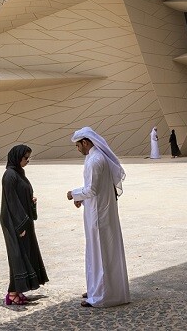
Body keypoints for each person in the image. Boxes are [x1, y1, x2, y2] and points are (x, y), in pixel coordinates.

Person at [66, 127, 130, 308]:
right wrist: (82, 200)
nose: (78, 149)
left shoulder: (95, 160)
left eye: (78, 146)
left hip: (99, 215)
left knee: (101, 252)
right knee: (97, 251)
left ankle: (102, 295)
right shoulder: (93, 158)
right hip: (96, 209)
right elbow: (98, 189)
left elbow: (92, 189)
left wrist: (74, 194)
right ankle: (97, 288)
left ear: (85, 143)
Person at [0, 144, 49, 306]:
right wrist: (20, 226)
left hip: (23, 220)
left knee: (24, 253)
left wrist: (30, 201)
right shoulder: (9, 175)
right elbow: (12, 203)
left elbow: (21, 194)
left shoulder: (19, 173)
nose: (27, 160)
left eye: (28, 158)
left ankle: (17, 291)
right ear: (17, 157)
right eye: (25, 158)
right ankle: (12, 294)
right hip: (14, 222)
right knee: (17, 256)